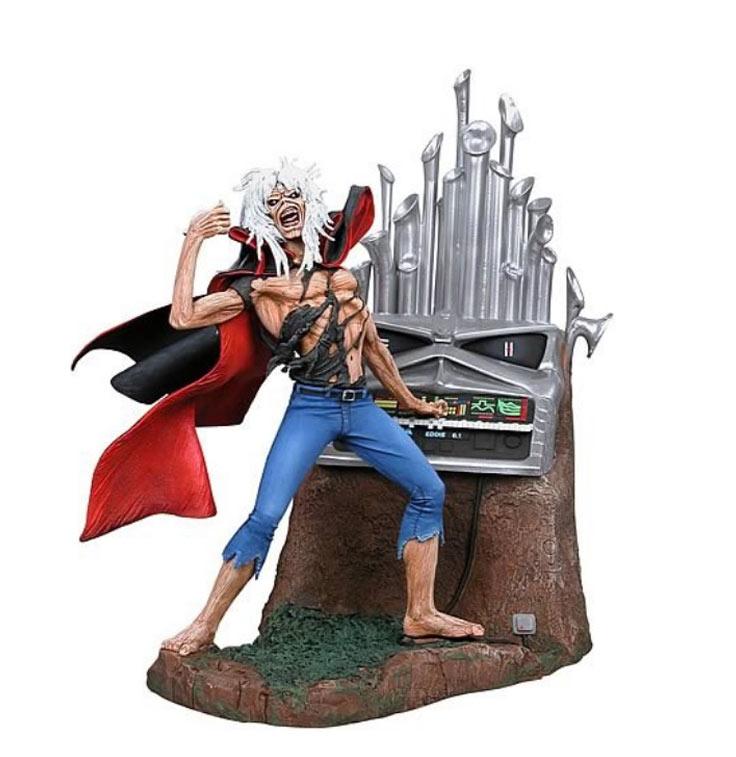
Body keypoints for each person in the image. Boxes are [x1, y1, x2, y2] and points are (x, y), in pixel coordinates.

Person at [75, 160, 484, 656]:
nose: (285, 207)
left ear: (310, 206)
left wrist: (411, 402)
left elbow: (373, 347)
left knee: (429, 490)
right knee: (265, 516)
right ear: (261, 219)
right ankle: (205, 625)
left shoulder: (342, 277)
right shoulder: (256, 289)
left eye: (292, 197)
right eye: (272, 203)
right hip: (312, 408)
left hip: (359, 406)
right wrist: (193, 241)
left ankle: (420, 614)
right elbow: (183, 317)